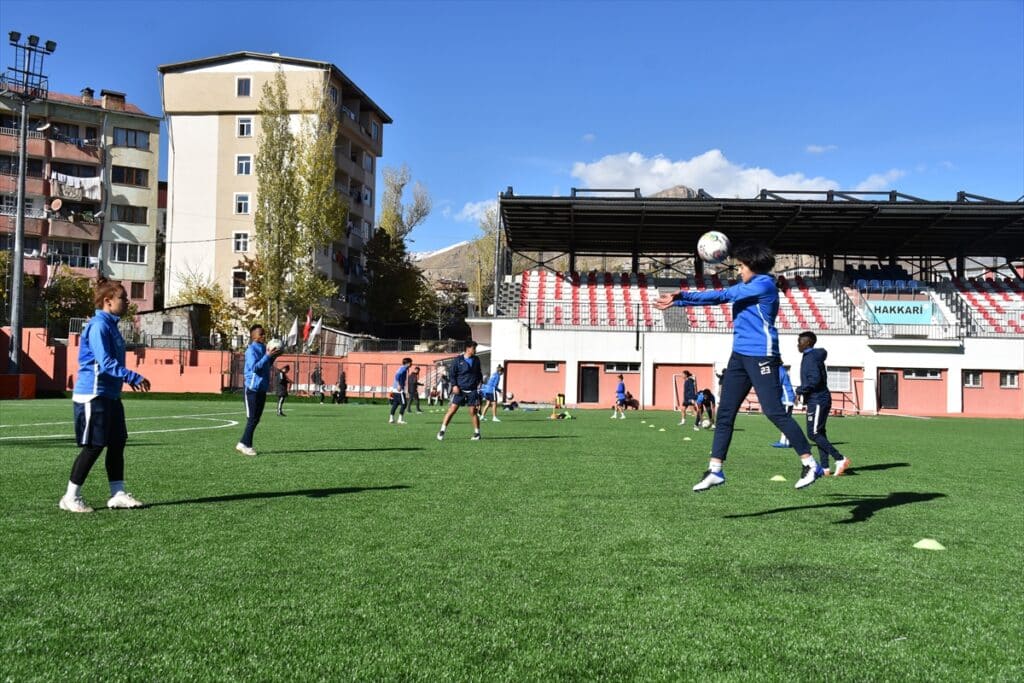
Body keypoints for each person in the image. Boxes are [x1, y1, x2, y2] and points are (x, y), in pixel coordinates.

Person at [655, 240, 823, 491]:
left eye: (742, 266)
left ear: (753, 266)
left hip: (762, 356)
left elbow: (723, 295)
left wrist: (682, 296)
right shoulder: (749, 284)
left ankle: (810, 464)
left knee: (774, 411)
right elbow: (724, 295)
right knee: (725, 413)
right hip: (740, 356)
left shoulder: (764, 284)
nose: (739, 271)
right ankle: (715, 470)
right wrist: (678, 301)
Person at [58, 278, 151, 513]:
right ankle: (70, 497)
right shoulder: (99, 326)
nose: (127, 302)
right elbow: (106, 363)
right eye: (123, 298)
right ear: (108, 301)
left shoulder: (111, 325)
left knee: (117, 443)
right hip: (93, 394)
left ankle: (117, 493)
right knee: (94, 446)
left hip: (110, 395)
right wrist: (132, 376)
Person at [796, 331, 851, 476]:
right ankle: (825, 467)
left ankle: (840, 458)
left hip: (818, 399)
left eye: (800, 342)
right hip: (817, 399)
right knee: (819, 433)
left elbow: (815, 380)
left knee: (813, 434)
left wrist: (800, 390)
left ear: (807, 343)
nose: (798, 345)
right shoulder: (810, 356)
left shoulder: (811, 358)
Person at [237, 324, 283, 456]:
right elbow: (255, 368)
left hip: (262, 388)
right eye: (261, 334)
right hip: (252, 388)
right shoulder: (251, 350)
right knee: (252, 418)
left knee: (256, 418)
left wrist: (274, 356)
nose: (263, 336)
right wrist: (268, 356)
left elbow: (266, 365)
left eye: (264, 334)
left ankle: (243, 443)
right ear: (253, 336)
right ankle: (246, 445)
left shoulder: (264, 348)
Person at [437, 340, 483, 441]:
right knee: (452, 410)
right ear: (468, 348)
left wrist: (480, 382)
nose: (475, 350)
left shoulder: (476, 360)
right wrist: (454, 385)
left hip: (472, 390)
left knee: (473, 412)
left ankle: (477, 433)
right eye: (474, 348)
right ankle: (442, 431)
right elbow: (452, 374)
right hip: (460, 390)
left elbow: (479, 373)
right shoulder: (457, 360)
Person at [771, 365, 797, 447]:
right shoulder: (780, 369)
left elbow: (777, 384)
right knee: (784, 421)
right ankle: (785, 441)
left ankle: (785, 442)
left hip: (786, 399)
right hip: (786, 399)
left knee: (784, 421)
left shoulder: (779, 370)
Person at [389, 358, 412, 424]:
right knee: (404, 404)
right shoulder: (403, 368)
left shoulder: (401, 368)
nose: (411, 364)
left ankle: (391, 419)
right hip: (399, 389)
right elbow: (397, 376)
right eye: (411, 362)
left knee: (395, 404)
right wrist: (399, 385)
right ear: (408, 363)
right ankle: (400, 419)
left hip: (395, 389)